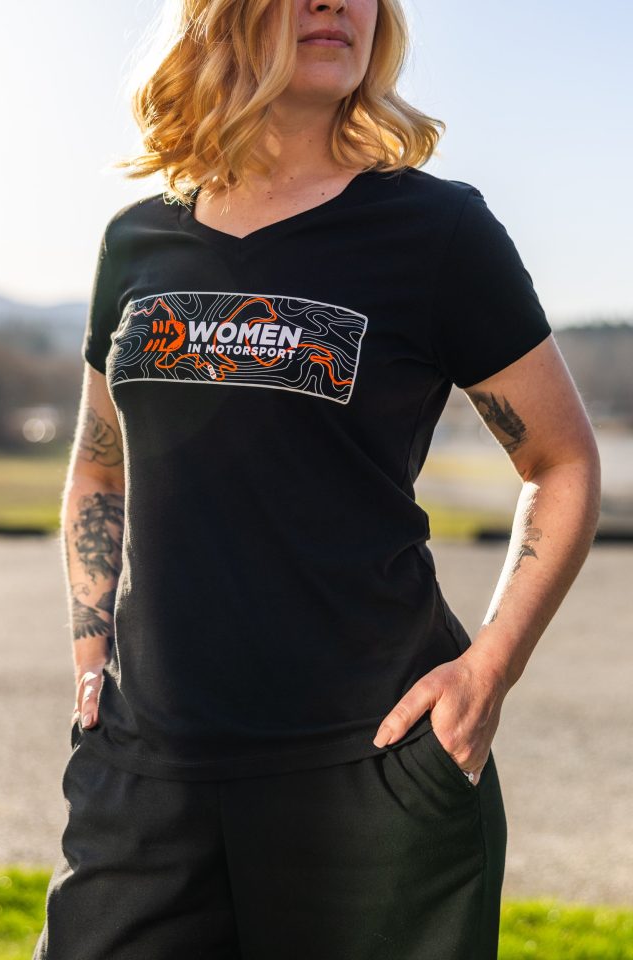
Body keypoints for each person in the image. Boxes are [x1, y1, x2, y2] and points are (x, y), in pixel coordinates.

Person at [33, 0, 601, 957]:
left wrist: (489, 672)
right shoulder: (138, 238)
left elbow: (562, 460)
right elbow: (98, 461)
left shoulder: (438, 231)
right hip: (145, 774)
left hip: (371, 769)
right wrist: (93, 649)